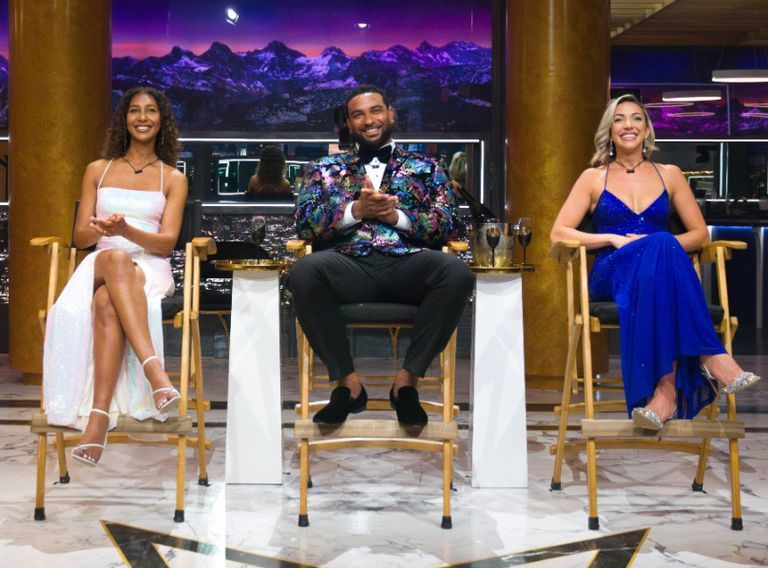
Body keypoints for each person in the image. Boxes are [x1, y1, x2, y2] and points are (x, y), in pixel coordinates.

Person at [550, 94, 761, 430]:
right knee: (662, 242)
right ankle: (711, 355)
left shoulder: (670, 175)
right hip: (613, 270)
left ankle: (664, 394)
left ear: (647, 129)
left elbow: (698, 235)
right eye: (619, 119)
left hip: (657, 277)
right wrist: (612, 238)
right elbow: (558, 233)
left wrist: (655, 246)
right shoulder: (593, 177)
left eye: (636, 118)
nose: (628, 125)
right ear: (610, 130)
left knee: (661, 248)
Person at [289, 85, 475, 427]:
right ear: (348, 124)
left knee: (456, 272)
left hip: (408, 265)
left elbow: (449, 223)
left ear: (391, 114)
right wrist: (355, 211)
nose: (368, 120)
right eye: (357, 115)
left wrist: (397, 218)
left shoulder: (427, 167)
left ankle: (406, 384)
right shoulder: (324, 167)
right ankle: (348, 386)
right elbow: (304, 223)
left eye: (375, 110)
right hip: (348, 267)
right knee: (303, 271)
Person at [43, 86, 189, 464]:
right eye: (134, 110)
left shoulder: (173, 178)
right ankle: (155, 373)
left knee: (108, 300)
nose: (142, 118)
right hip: (101, 262)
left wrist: (126, 231)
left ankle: (98, 419)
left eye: (151, 111)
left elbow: (166, 243)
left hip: (148, 268)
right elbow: (80, 238)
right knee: (115, 258)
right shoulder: (97, 169)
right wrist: (104, 230)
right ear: (124, 119)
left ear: (162, 121)